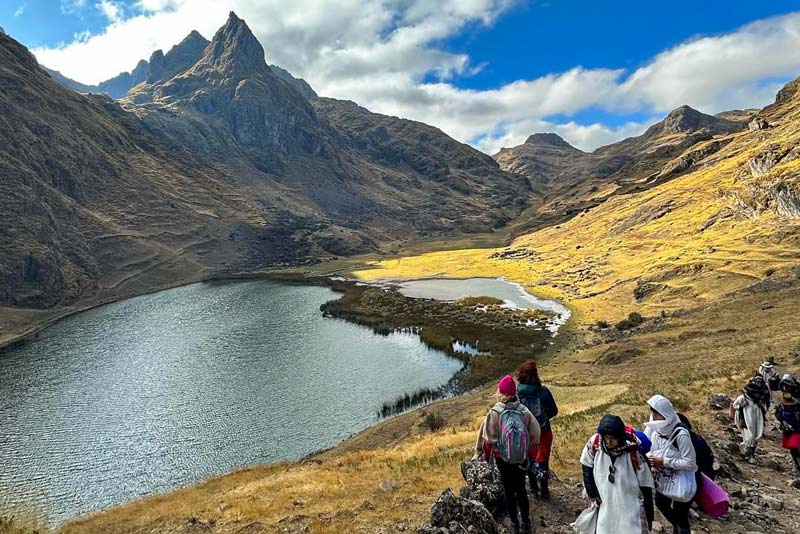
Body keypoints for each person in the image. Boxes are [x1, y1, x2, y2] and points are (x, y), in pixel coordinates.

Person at [475, 375, 541, 534]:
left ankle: (514, 523)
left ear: (501, 393)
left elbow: (489, 439)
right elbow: (536, 435)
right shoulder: (524, 411)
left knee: (508, 490)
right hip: (521, 458)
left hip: (502, 459)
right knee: (521, 489)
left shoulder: (494, 412)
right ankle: (526, 523)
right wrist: (529, 454)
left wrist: (485, 457)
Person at [580, 414, 655, 533]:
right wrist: (592, 492)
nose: (609, 442)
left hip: (630, 502)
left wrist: (649, 514)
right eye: (606, 437)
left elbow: (645, 485)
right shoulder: (595, 444)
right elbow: (586, 466)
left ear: (619, 436)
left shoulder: (633, 451)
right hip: (605, 499)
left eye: (612, 438)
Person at [645, 394, 697, 534]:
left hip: (683, 480)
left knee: (681, 515)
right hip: (664, 478)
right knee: (661, 503)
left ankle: (681, 529)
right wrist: (652, 463)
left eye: (657, 414)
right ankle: (677, 529)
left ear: (665, 414)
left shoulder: (681, 434)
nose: (653, 417)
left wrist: (663, 461)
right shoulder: (653, 428)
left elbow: (690, 463)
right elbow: (646, 448)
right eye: (653, 413)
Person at [516, 360, 558, 499]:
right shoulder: (543, 392)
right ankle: (544, 490)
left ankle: (534, 489)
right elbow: (554, 411)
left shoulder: (517, 394)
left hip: (526, 434)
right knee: (543, 460)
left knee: (529, 459)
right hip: (543, 432)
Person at [730, 377, 767, 458]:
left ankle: (750, 454)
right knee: (749, 437)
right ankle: (747, 454)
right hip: (745, 420)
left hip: (756, 420)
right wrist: (741, 405)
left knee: (755, 437)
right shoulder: (742, 398)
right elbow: (734, 405)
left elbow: (763, 409)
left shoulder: (757, 400)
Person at [775, 374, 800, 474]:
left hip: (795, 426)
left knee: (794, 445)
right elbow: (778, 414)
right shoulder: (782, 405)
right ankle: (796, 463)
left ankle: (797, 463)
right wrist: (784, 422)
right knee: (793, 446)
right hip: (789, 427)